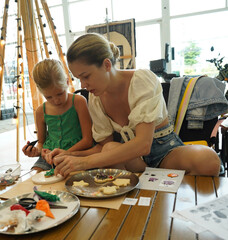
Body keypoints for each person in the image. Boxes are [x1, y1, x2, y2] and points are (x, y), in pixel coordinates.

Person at [46, 33, 221, 177]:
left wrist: (84, 162)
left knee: (209, 160)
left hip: (165, 151)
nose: (83, 85)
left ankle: (153, 182)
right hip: (132, 161)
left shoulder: (142, 80)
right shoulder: (96, 98)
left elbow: (143, 144)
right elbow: (101, 148)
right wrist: (70, 155)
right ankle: (154, 183)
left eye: (86, 76)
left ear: (107, 64)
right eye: (79, 79)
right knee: (109, 147)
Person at [22, 58, 93, 172]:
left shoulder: (79, 102)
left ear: (67, 82)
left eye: (60, 93)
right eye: (48, 97)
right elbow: (41, 142)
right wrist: (36, 151)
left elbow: (88, 140)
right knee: (35, 179)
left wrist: (67, 153)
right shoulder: (41, 111)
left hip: (77, 154)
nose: (56, 100)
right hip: (49, 158)